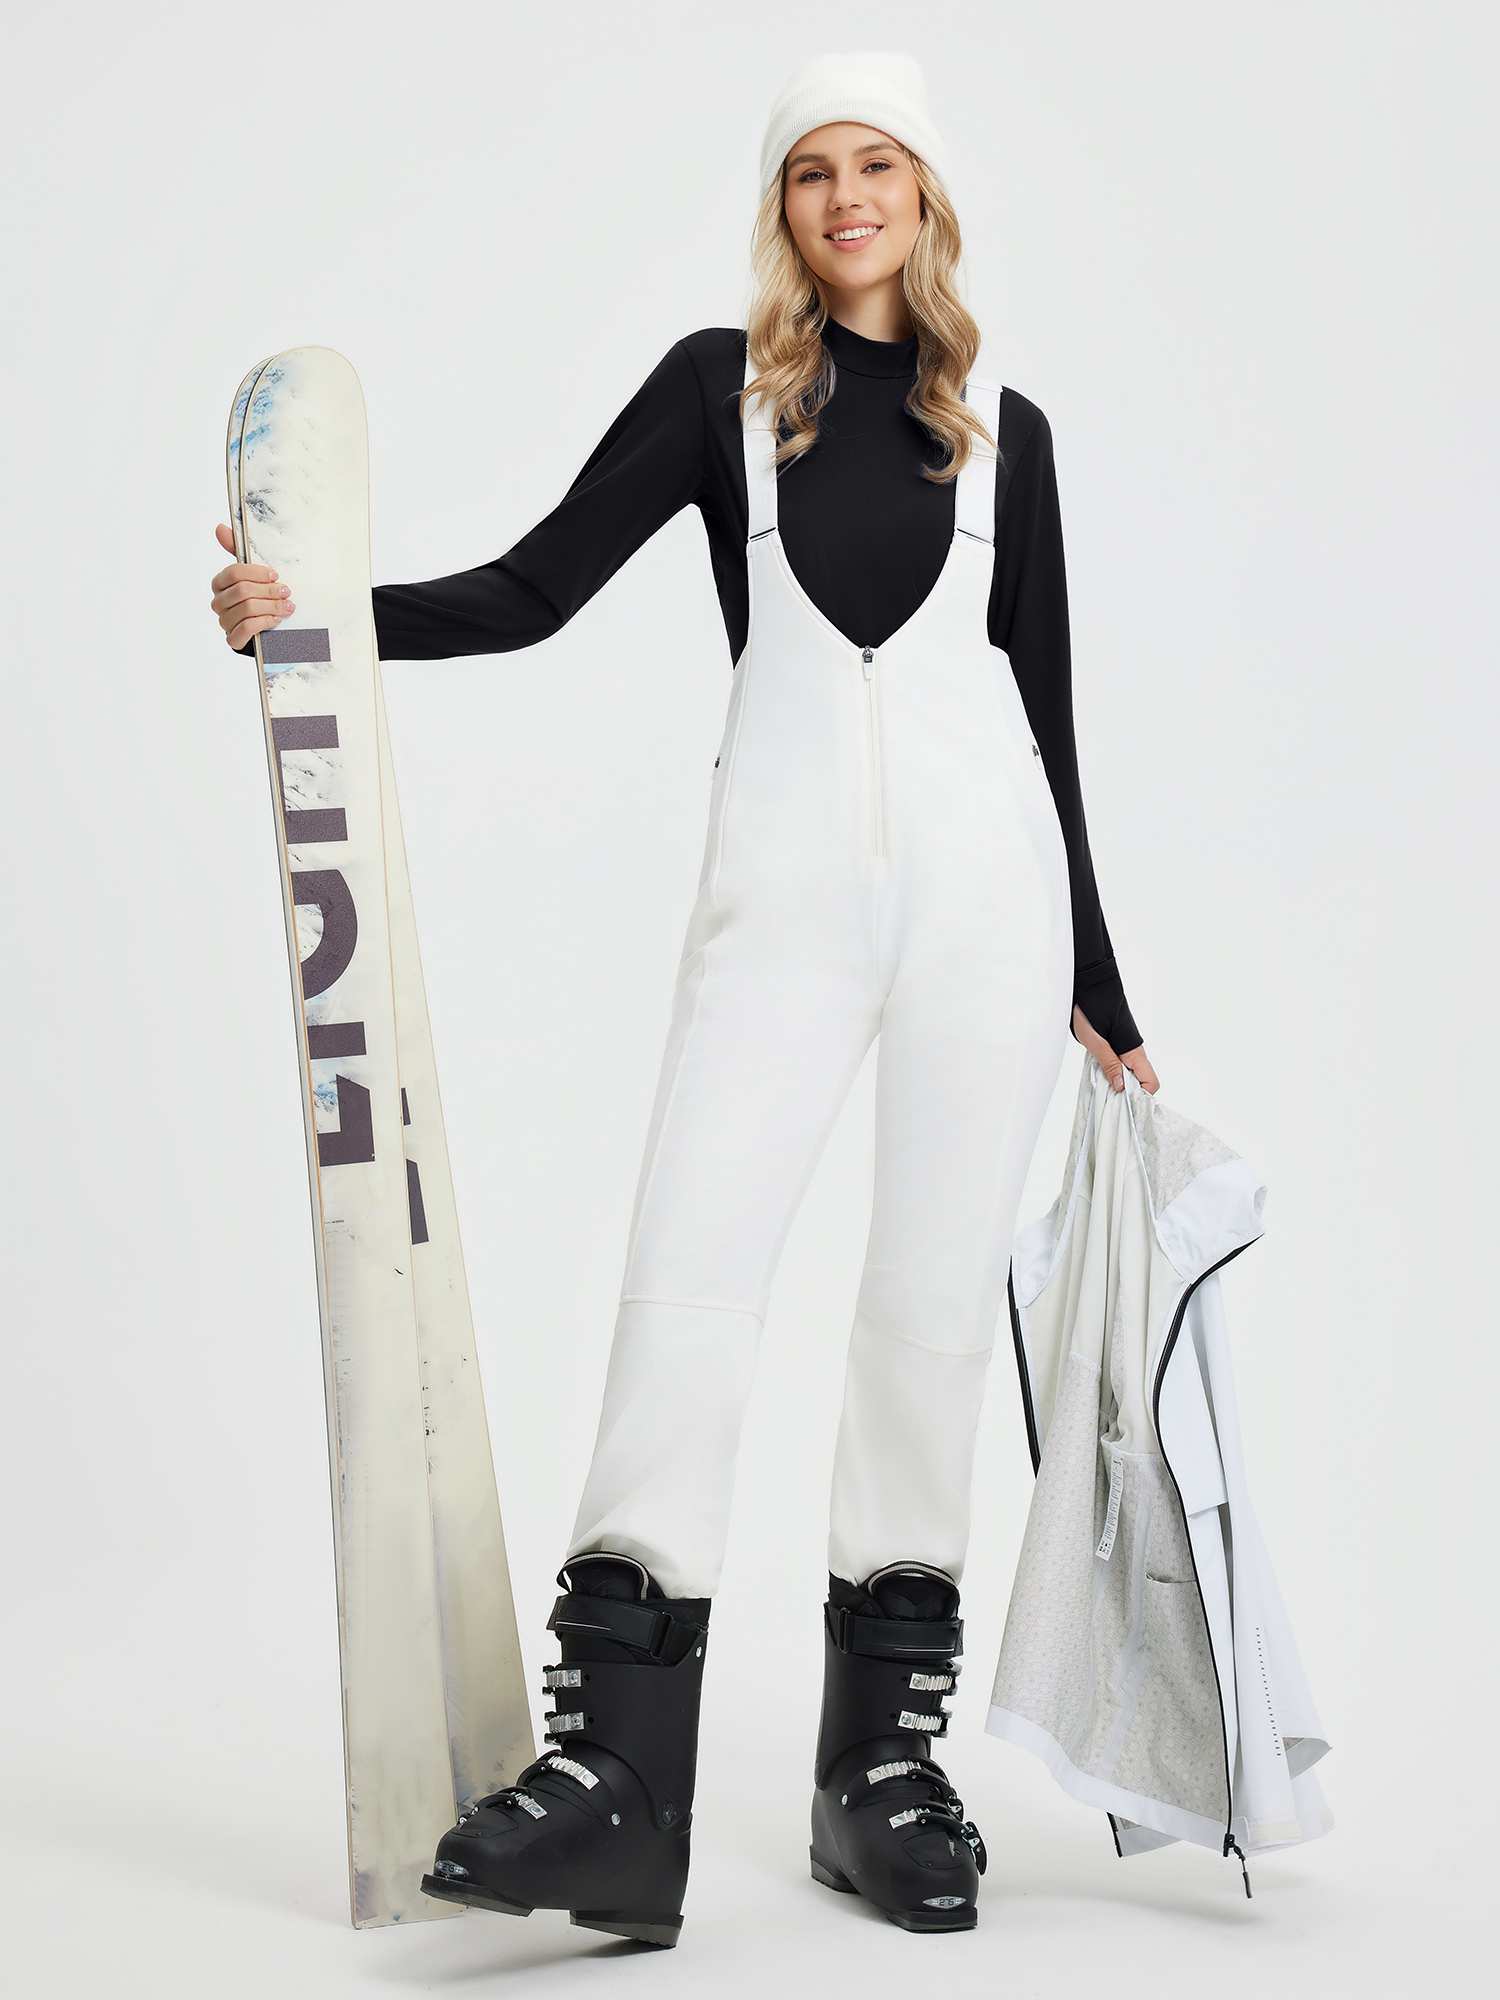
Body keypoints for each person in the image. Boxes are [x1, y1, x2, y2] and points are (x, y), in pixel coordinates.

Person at [209, 49, 1159, 1946]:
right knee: (689, 1286)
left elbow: (1047, 712)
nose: (846, 196)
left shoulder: (1010, 436)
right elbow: (538, 588)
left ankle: (878, 1778)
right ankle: (622, 1783)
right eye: (812, 170)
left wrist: (1100, 981)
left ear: (927, 195)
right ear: (782, 206)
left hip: (993, 915)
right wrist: (315, 622)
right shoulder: (720, 399)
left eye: (879, 163)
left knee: (926, 1321)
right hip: (781, 906)